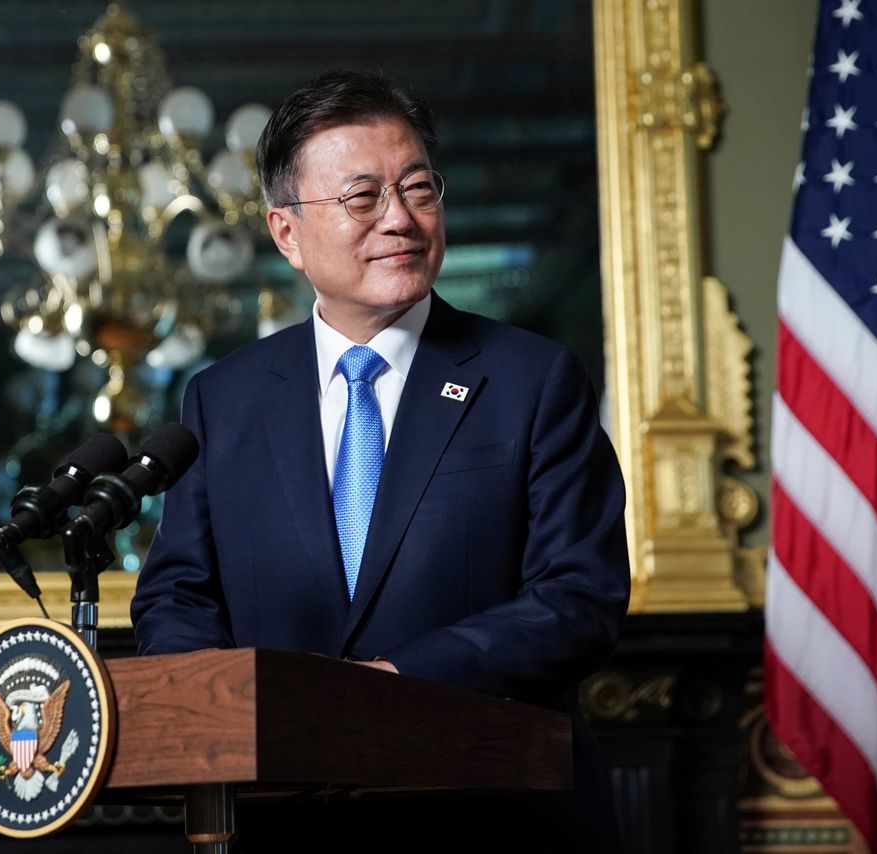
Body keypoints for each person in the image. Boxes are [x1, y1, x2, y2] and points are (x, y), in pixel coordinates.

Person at [131, 69, 630, 852]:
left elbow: (578, 597)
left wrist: (390, 687)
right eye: (362, 198)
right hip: (283, 822)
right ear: (286, 233)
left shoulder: (534, 381)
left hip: (491, 816)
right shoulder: (223, 402)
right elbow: (177, 598)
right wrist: (225, 704)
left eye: (419, 189)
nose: (400, 219)